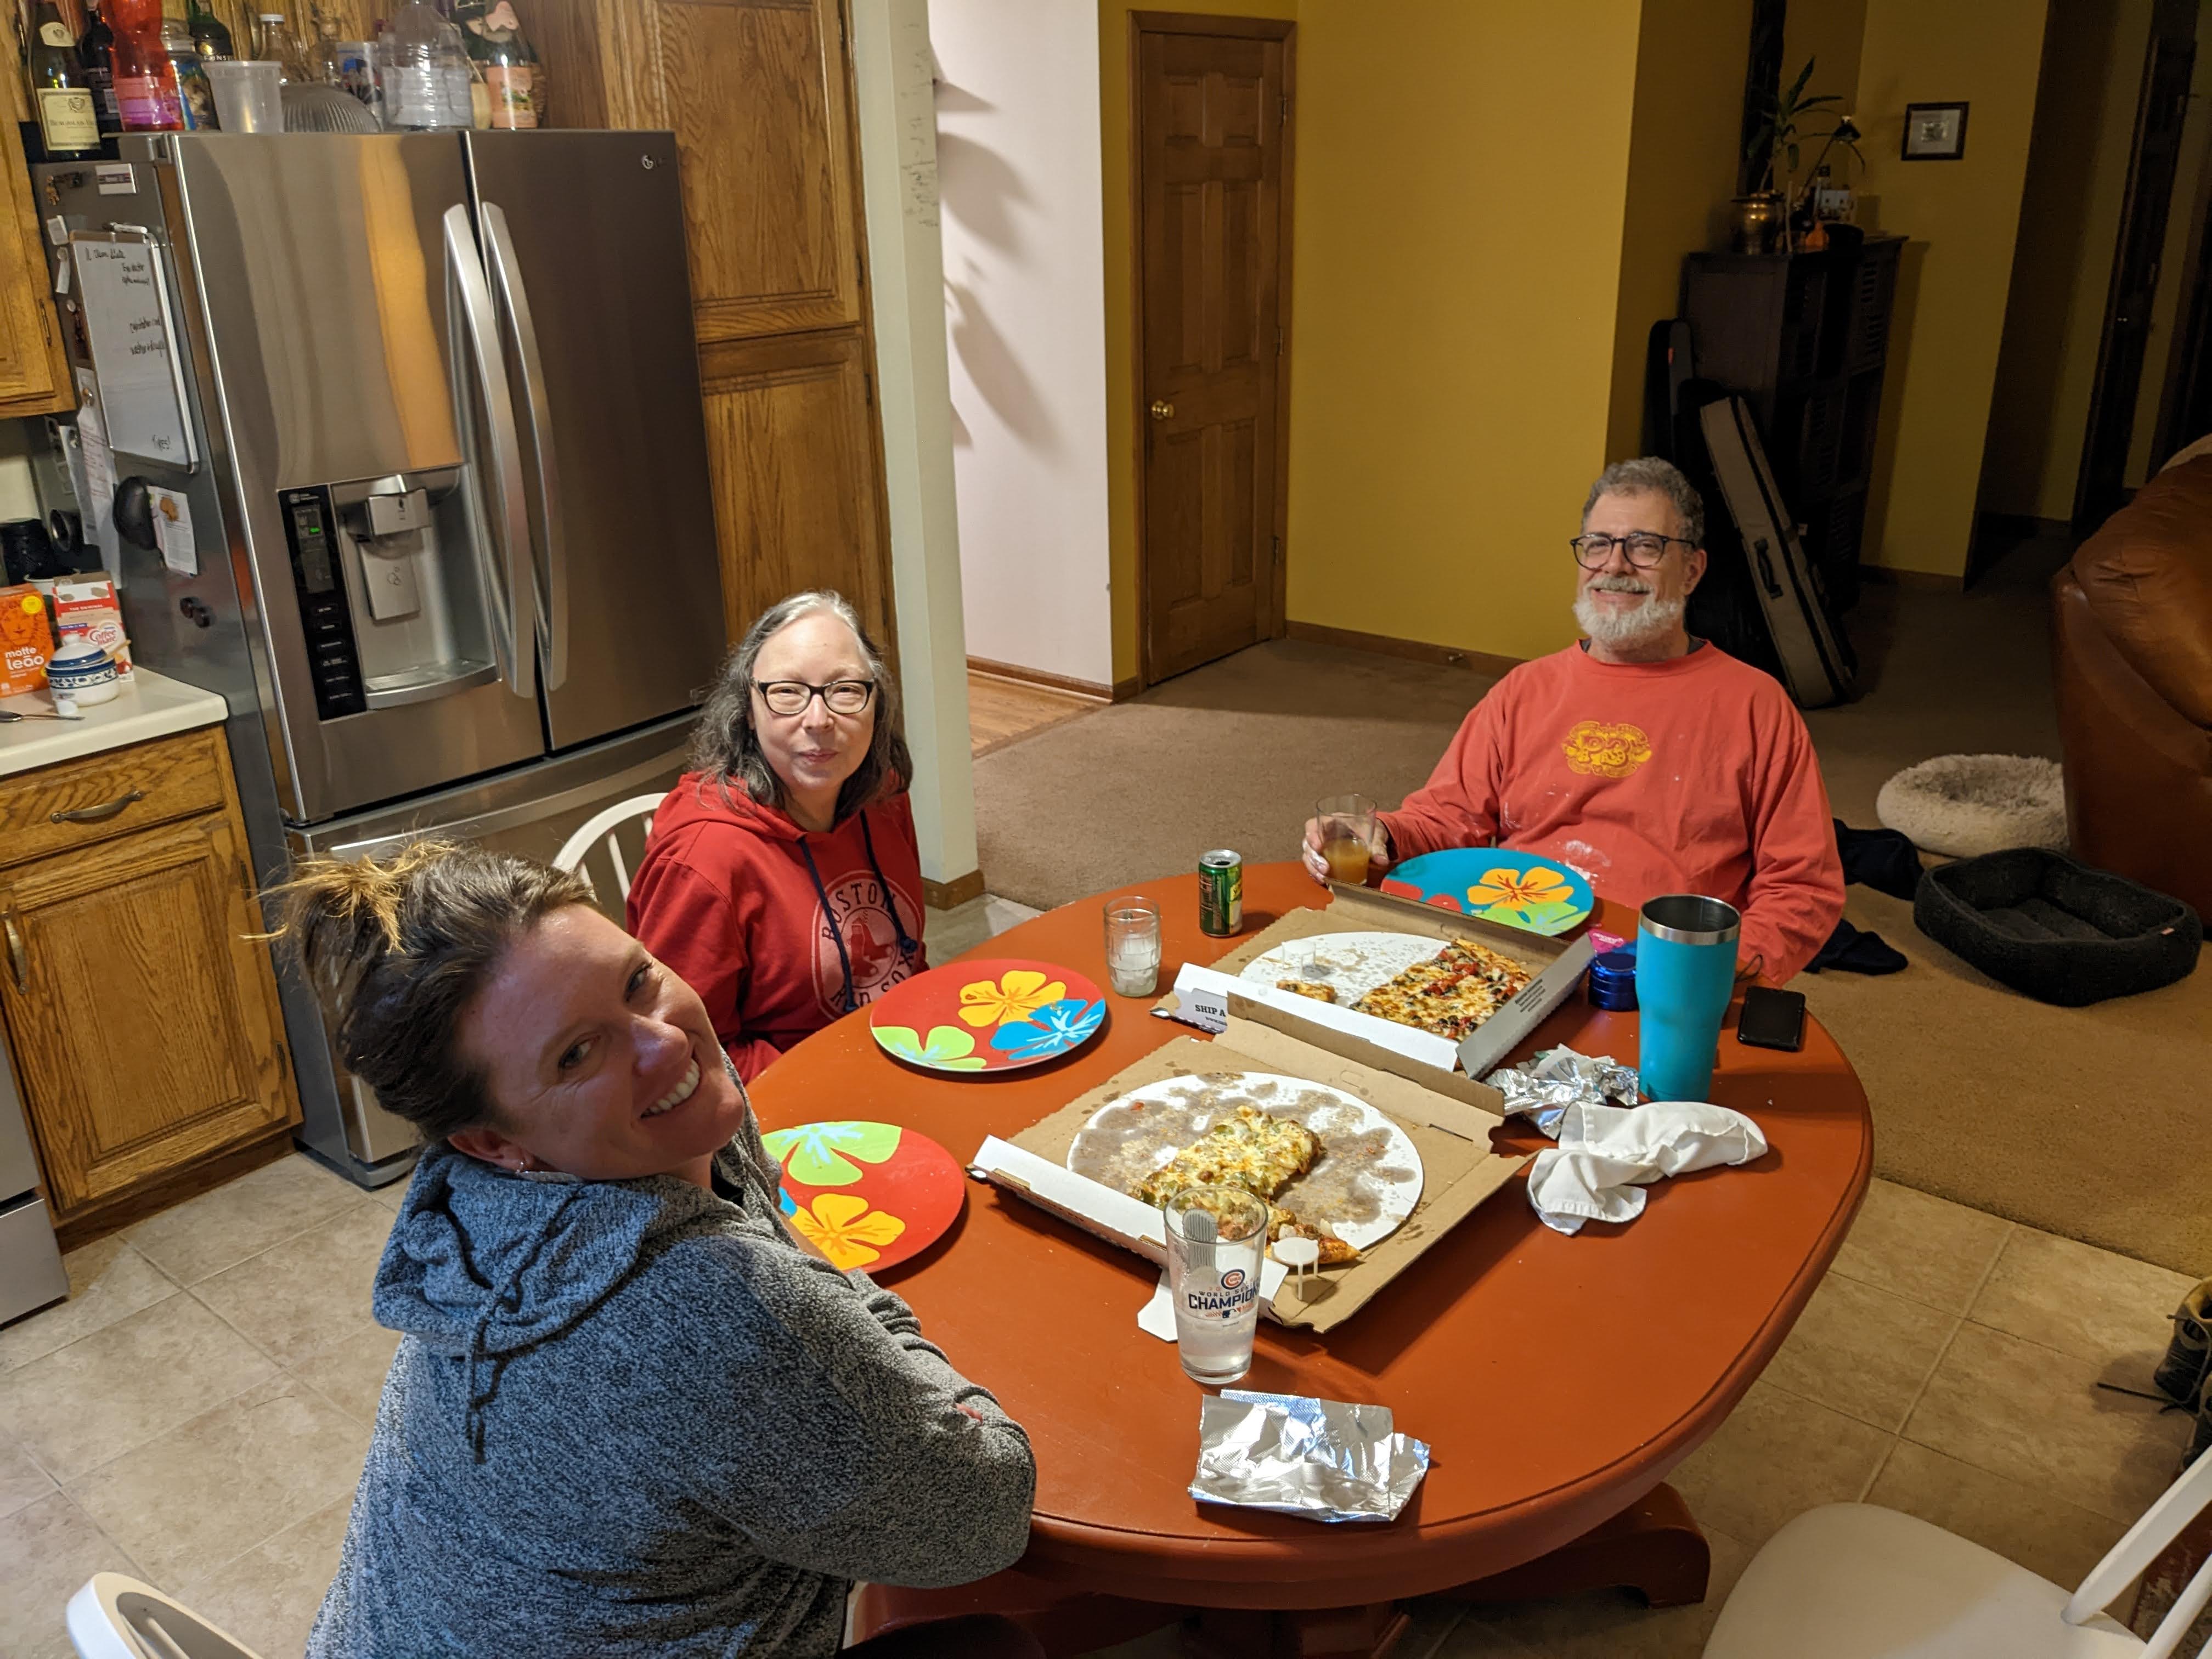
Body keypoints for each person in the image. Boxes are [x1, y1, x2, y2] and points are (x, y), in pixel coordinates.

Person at [280, 840, 1037, 1658]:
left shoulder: (475, 1216)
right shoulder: (701, 1314)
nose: (666, 1044)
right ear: (493, 1142)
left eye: (638, 980)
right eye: (577, 1054)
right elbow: (984, 1514)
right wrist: (863, 1325)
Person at [1304, 457, 1844, 981]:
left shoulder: (1756, 705)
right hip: (1508, 948)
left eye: (1645, 546)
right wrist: (1380, 835)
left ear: (1692, 571)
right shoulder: (1523, 691)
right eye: (1598, 544)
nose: (1615, 566)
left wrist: (1706, 975)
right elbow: (1447, 817)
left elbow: (1803, 889)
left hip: (1664, 971)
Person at [628, 591, 928, 1081]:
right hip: (797, 1100)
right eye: (787, 692)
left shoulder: (883, 797)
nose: (819, 720)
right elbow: (688, 1053)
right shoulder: (705, 861)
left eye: (845, 690)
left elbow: (908, 964)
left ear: (876, 703)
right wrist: (838, 1079)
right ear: (748, 709)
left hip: (902, 1056)